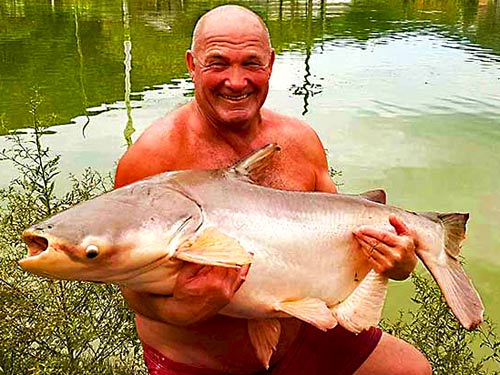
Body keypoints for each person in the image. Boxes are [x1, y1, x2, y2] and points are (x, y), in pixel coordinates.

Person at [114, 5, 432, 375]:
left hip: (304, 335)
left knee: (409, 369)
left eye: (251, 63)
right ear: (192, 64)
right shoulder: (153, 159)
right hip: (202, 362)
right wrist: (179, 309)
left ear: (270, 64)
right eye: (218, 63)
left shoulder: (300, 141)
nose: (236, 81)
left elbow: (341, 239)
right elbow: (131, 290)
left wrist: (395, 262)